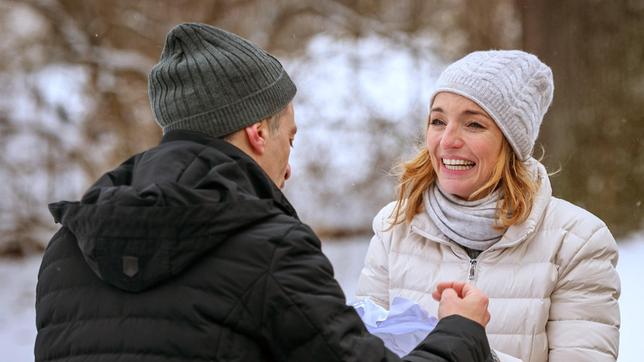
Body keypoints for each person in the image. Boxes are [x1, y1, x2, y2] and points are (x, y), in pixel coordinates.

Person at [35, 23, 494, 362]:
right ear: (257, 132)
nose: (289, 167)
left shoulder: (67, 250)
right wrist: (460, 330)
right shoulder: (268, 247)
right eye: (289, 139)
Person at [356, 49, 621, 361]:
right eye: (438, 121)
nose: (447, 140)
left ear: (511, 142)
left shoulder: (576, 241)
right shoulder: (395, 226)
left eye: (474, 125)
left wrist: (469, 347)